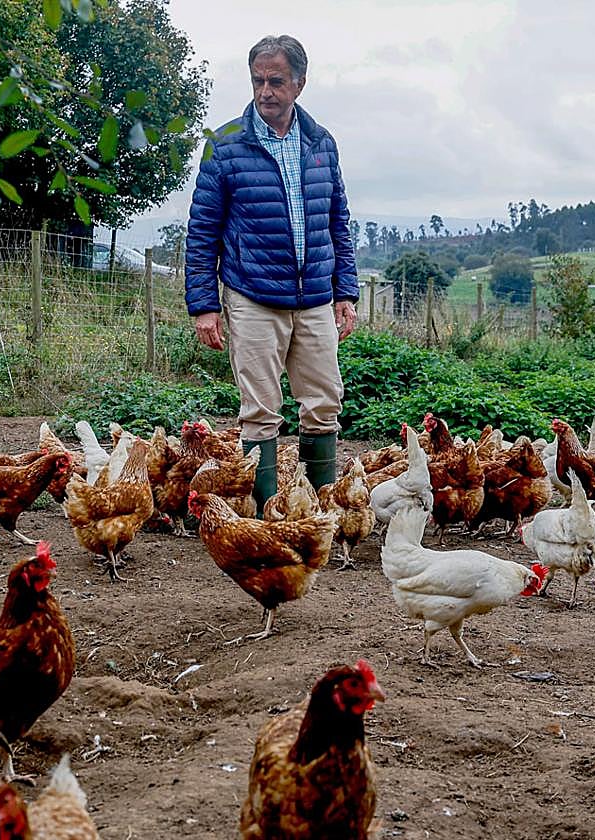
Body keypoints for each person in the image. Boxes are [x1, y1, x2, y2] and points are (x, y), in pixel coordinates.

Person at [184, 34, 358, 513]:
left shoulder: (321, 143)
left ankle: (316, 508)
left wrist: (346, 290)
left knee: (323, 404)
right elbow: (202, 230)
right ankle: (264, 515)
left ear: (299, 84)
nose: (266, 91)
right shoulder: (223, 146)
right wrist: (204, 305)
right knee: (260, 412)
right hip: (252, 296)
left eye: (276, 81)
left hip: (316, 297)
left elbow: (337, 219)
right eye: (258, 80)